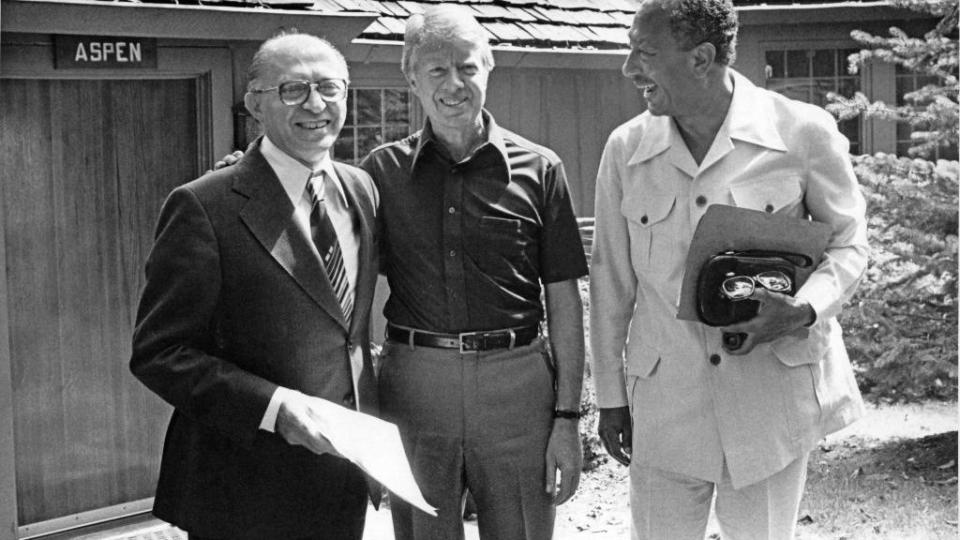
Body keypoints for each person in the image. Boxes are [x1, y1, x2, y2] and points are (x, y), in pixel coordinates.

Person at [589, 1, 869, 539]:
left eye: (644, 53)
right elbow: (610, 284)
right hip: (666, 403)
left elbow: (850, 244)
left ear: (701, 57)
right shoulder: (625, 149)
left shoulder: (801, 133)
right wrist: (611, 399)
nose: (629, 69)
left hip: (768, 406)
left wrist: (804, 308)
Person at [130, 32, 380, 540]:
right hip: (240, 489)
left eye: (330, 87)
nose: (316, 103)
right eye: (293, 89)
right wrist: (275, 408)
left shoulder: (361, 189)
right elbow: (160, 352)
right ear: (255, 105)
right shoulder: (204, 205)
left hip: (341, 478)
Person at [360, 6, 588, 540]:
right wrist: (366, 418)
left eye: (467, 67)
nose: (454, 84)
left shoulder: (542, 169)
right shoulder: (380, 174)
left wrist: (568, 420)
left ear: (489, 66)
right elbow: (353, 300)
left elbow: (565, 301)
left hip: (517, 386)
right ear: (412, 79)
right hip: (417, 386)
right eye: (436, 71)